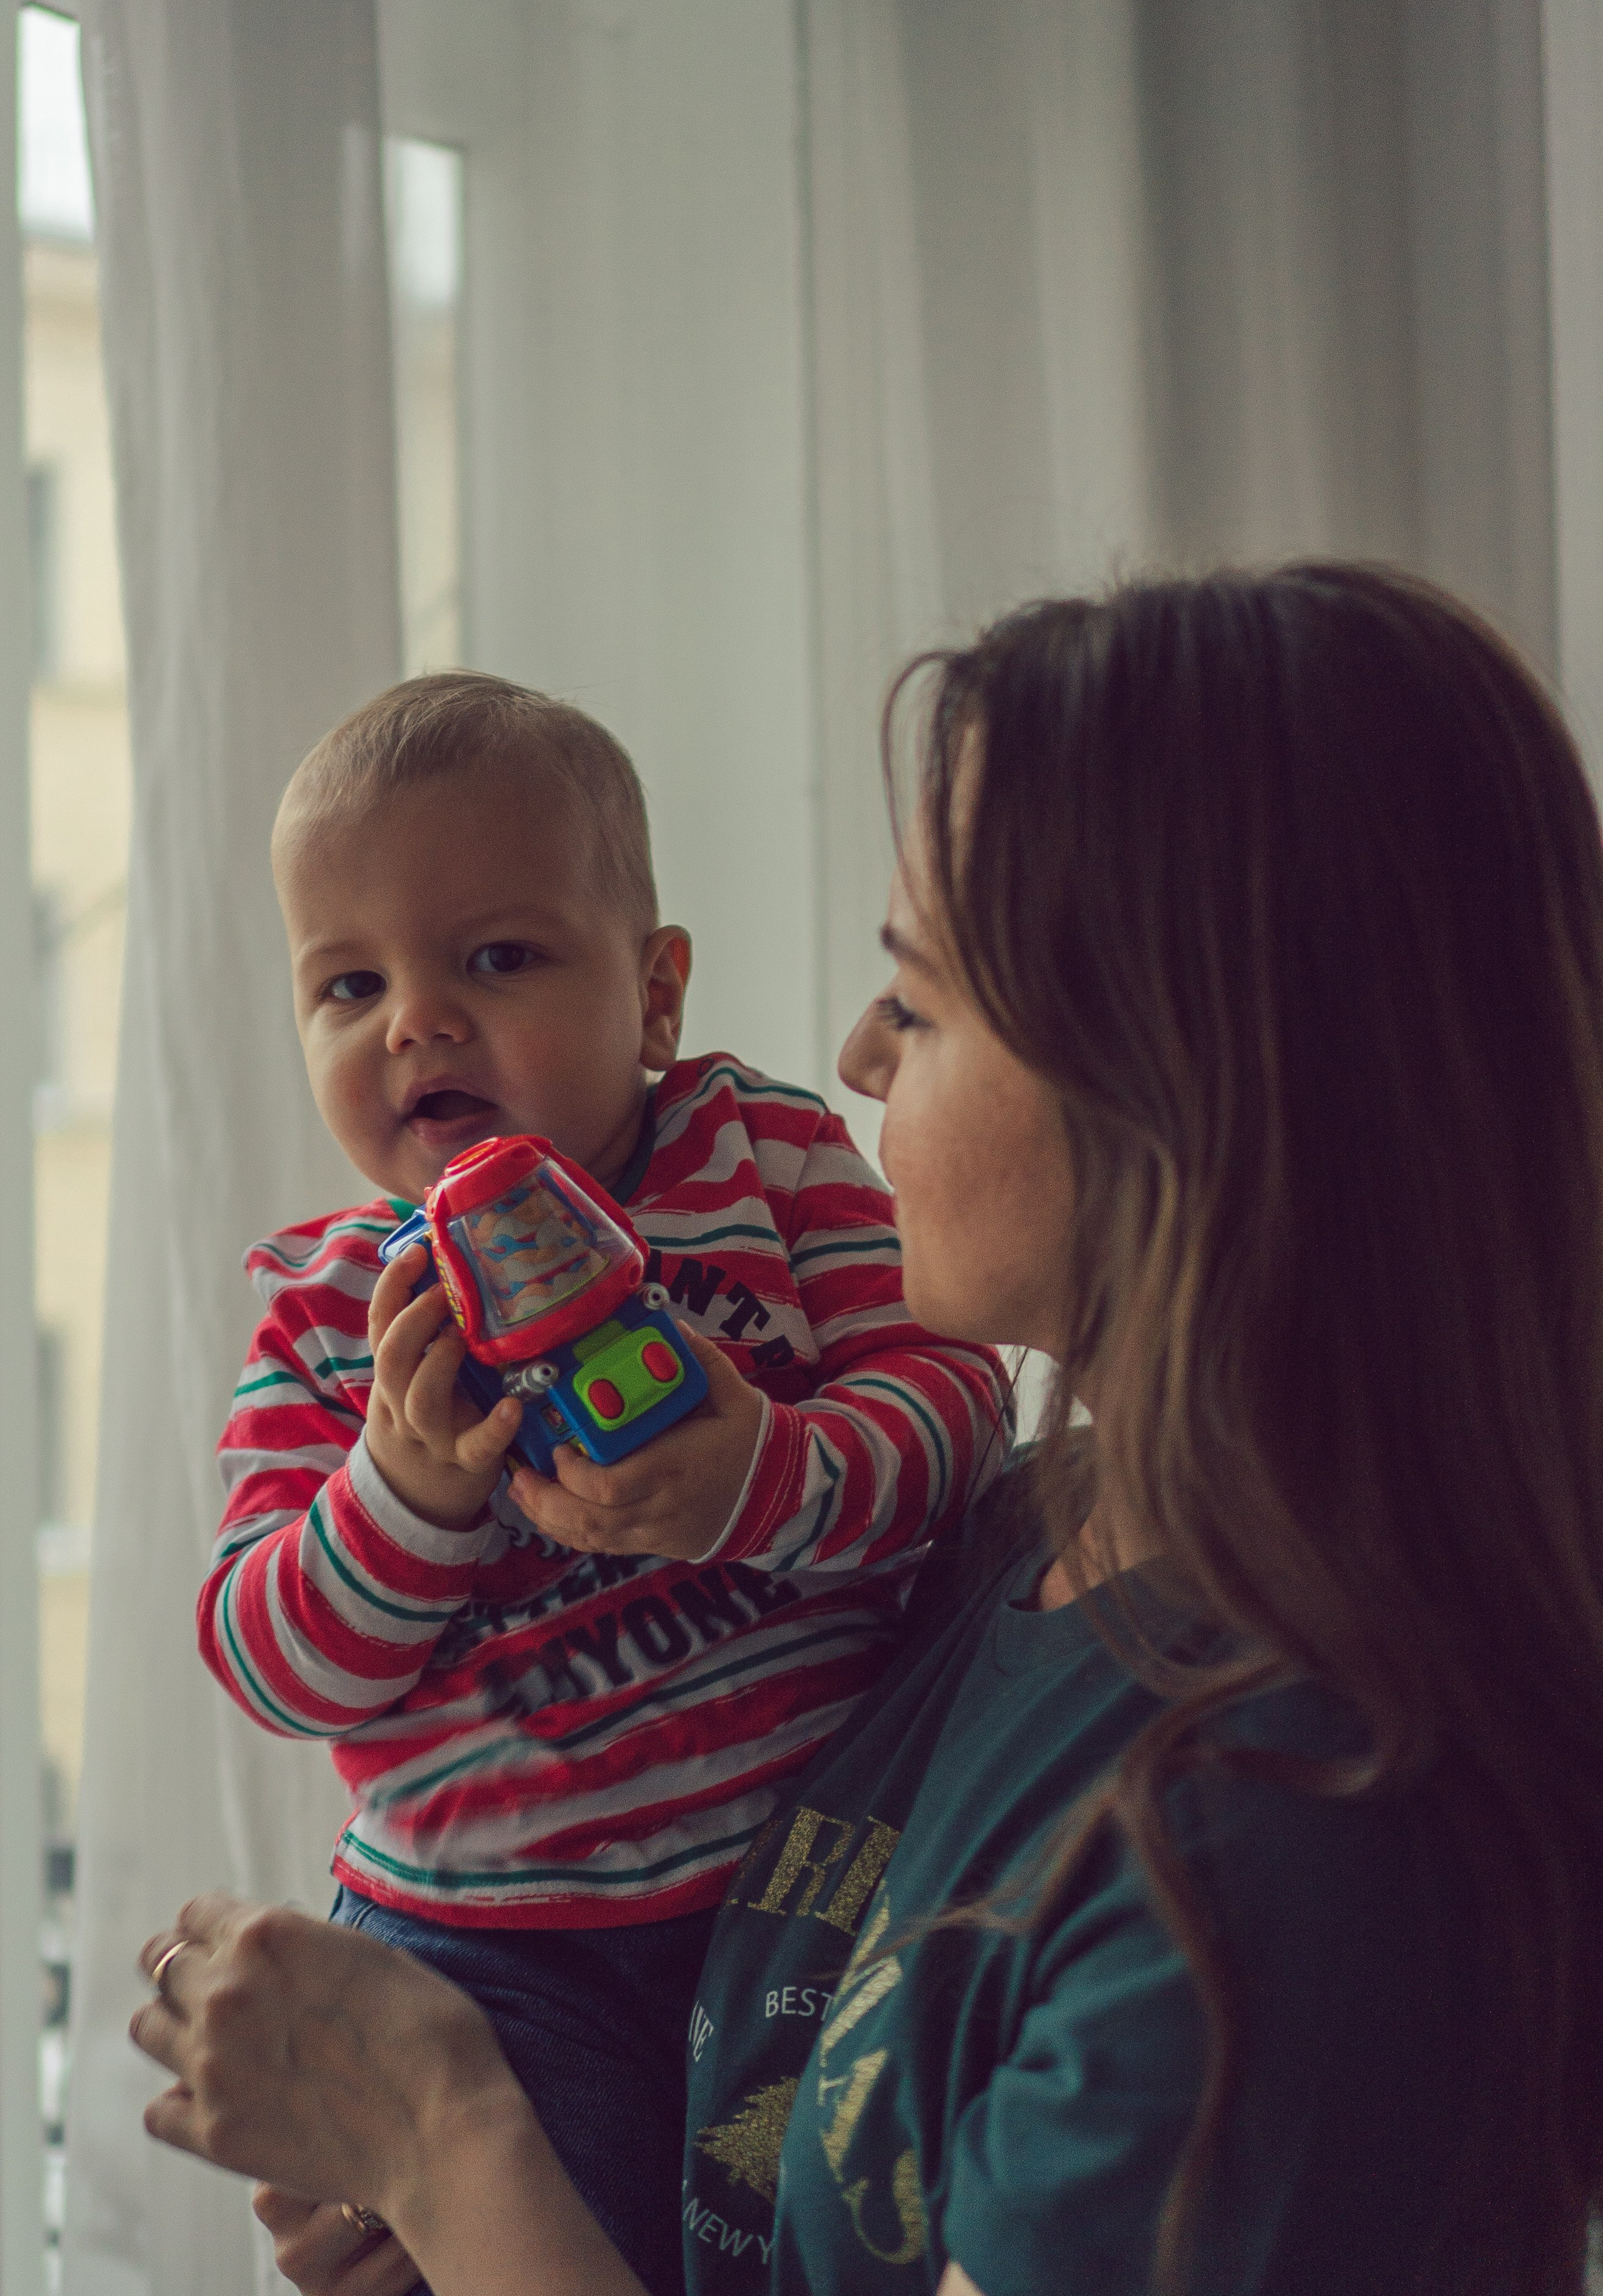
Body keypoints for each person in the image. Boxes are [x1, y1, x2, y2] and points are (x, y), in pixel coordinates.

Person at [135, 567, 1603, 2296]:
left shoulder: (1287, 1868)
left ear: (1178, 1076)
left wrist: (450, 2142)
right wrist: (472, 2217)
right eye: (343, 986)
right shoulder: (1016, 1549)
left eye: (919, 998)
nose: (853, 1053)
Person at [198, 671, 1011, 2293]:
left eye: (495, 958)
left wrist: (754, 1481)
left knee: (796, 2254)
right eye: (348, 986)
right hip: (492, 1956)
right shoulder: (323, 1314)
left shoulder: (764, 1159)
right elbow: (267, 1654)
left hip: (806, 1887)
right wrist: (403, 1494)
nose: (415, 1021)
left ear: (652, 997)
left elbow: (950, 1410)